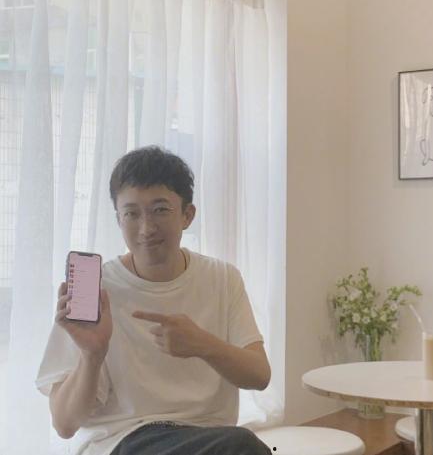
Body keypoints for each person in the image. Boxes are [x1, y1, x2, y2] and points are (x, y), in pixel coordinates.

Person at [36, 146, 272, 455]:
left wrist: (203, 345)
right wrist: (92, 355)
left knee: (240, 445)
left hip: (208, 439)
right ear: (118, 219)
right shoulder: (98, 291)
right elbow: (64, 425)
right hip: (124, 440)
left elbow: (260, 376)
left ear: (187, 215)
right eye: (131, 214)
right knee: (243, 446)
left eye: (160, 210)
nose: (146, 228)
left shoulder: (222, 278)